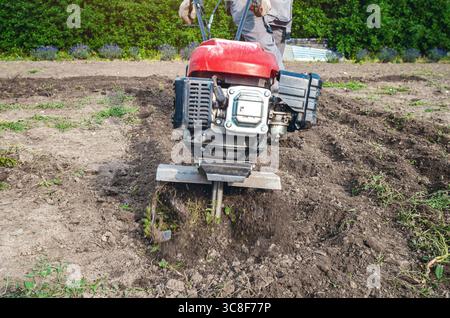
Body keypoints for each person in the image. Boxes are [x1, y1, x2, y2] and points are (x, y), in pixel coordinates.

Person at [179, 0, 293, 70]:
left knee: (270, 65)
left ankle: (283, 100)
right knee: (264, 57)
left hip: (279, 10)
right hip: (249, 6)